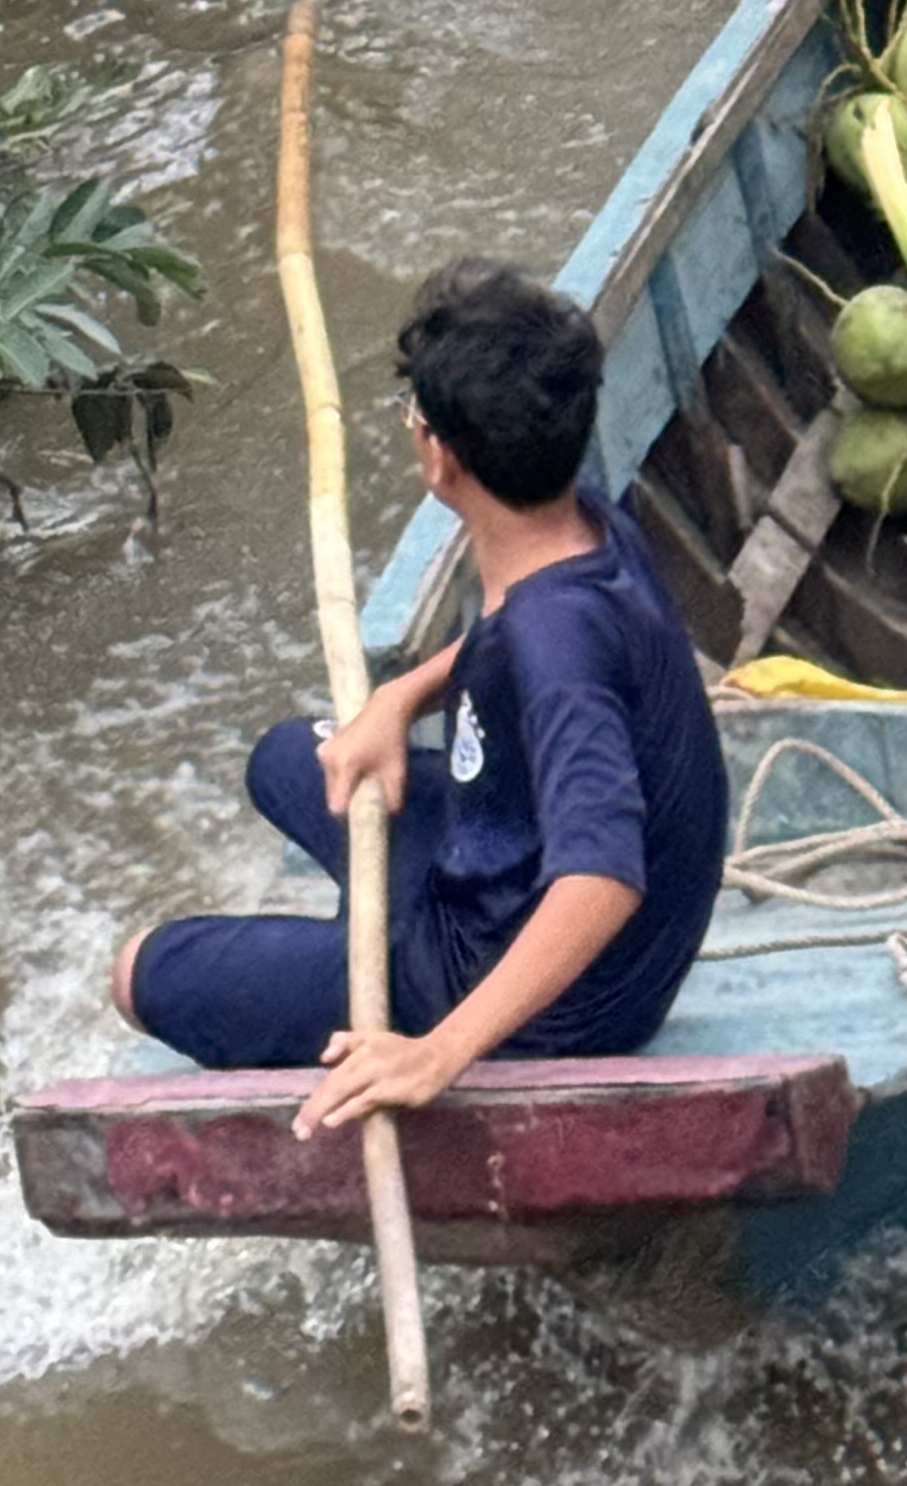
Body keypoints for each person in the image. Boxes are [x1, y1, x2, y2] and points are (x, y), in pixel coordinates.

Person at [111, 262, 729, 1133]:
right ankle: (346, 943)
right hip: (493, 860)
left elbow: (601, 877)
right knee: (293, 757)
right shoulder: (580, 524)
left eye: (413, 418)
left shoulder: (559, 646)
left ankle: (377, 980)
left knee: (138, 973)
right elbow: (505, 638)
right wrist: (398, 699)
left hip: (534, 997)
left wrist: (439, 1051)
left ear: (438, 456)